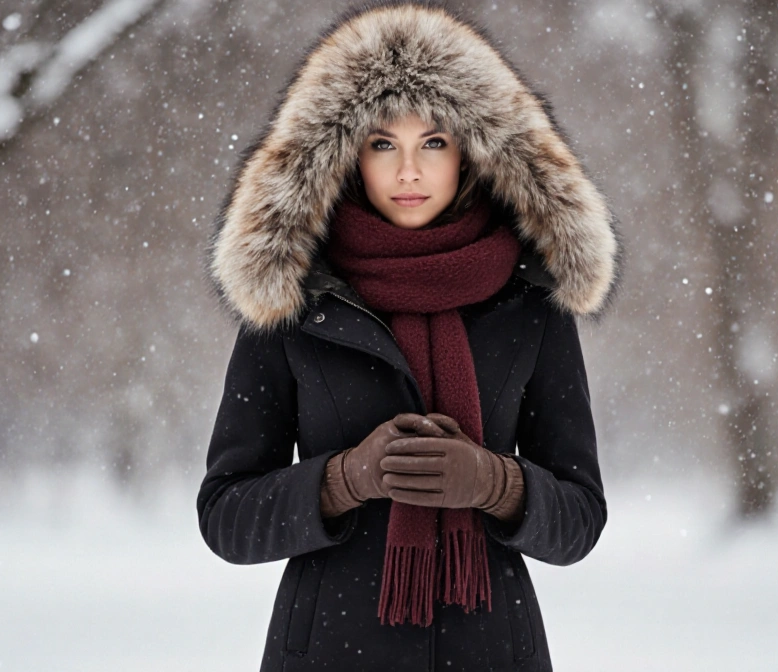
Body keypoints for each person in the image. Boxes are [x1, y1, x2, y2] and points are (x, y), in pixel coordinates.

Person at [197, 4, 621, 671]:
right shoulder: (296, 297)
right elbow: (225, 516)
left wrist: (494, 482)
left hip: (492, 651)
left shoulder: (529, 299)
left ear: (471, 153)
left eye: (433, 142)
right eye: (382, 143)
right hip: (328, 653)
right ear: (346, 153)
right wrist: (344, 478)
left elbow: (579, 520)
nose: (409, 172)